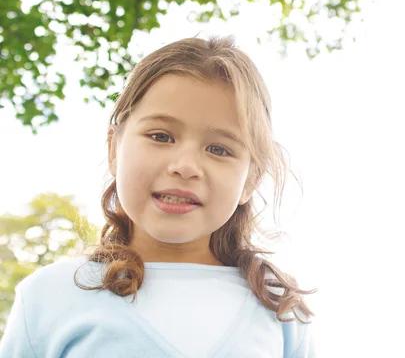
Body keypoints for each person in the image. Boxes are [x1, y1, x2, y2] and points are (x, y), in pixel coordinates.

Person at [0, 36, 317, 357]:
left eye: (218, 149)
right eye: (161, 136)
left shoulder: (282, 311)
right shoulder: (48, 297)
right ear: (114, 148)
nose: (185, 167)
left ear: (251, 179)